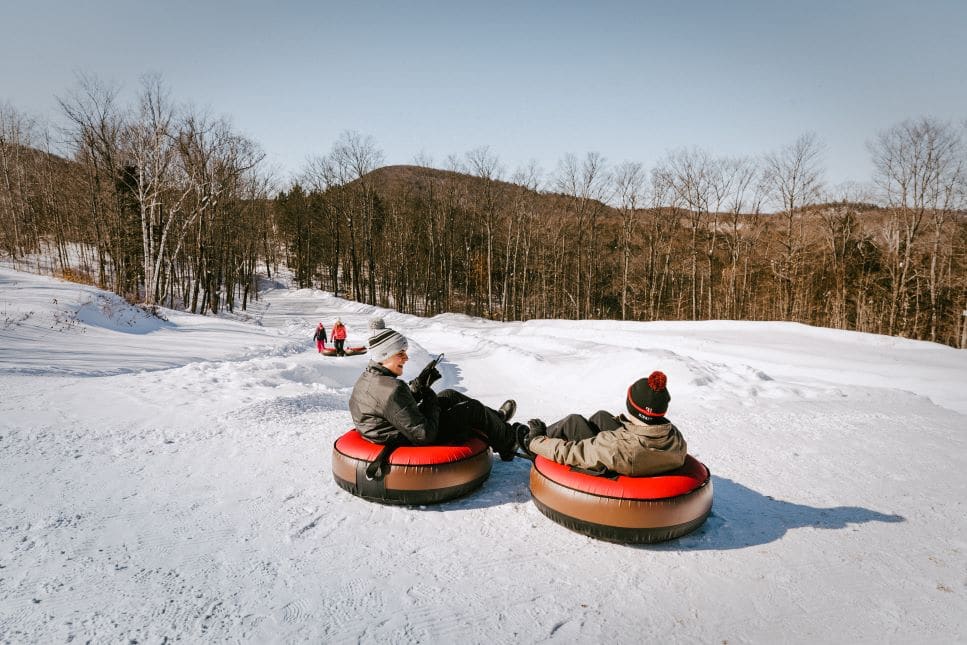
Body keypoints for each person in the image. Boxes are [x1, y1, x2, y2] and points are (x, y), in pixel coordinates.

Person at [349, 319, 523, 461]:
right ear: (384, 355)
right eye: (400, 353)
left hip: (397, 428)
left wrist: (419, 385)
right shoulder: (392, 389)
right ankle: (509, 442)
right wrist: (429, 396)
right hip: (407, 439)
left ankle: (497, 419)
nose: (406, 357)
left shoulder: (370, 378)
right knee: (472, 409)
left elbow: (393, 407)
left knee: (449, 394)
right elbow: (425, 435)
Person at [519, 371, 687, 476]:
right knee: (602, 417)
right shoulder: (675, 437)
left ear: (632, 406)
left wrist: (537, 440)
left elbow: (569, 452)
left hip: (622, 458)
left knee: (573, 421)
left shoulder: (613, 446)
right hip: (641, 450)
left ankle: (529, 442)